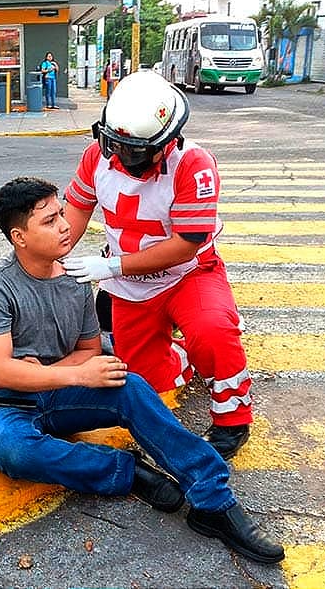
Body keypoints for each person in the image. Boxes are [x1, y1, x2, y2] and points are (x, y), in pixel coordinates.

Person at [0, 176, 285, 565]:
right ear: (19, 237)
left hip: (56, 391)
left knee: (130, 387)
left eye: (61, 213)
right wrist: (73, 374)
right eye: (49, 221)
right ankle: (127, 472)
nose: (65, 226)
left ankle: (214, 501)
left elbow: (89, 351)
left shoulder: (76, 279)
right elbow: (0, 372)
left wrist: (52, 371)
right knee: (17, 452)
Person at [62, 71, 252, 460]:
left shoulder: (193, 165)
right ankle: (186, 355)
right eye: (114, 144)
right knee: (148, 381)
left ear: (167, 142)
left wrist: (111, 267)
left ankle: (233, 419)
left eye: (134, 151)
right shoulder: (97, 157)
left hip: (188, 276)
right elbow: (77, 209)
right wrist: (52, 257)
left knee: (213, 332)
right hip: (131, 287)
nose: (121, 156)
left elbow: (185, 246)